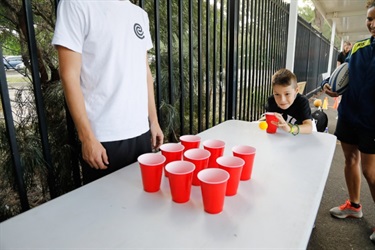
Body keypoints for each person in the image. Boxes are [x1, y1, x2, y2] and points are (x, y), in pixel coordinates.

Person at [52, 0, 164, 184]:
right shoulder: (76, 4)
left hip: (141, 132)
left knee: (143, 201)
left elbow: (144, 72)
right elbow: (69, 75)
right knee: (106, 208)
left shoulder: (139, 15)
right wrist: (87, 138)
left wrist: (153, 121)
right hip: (104, 138)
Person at [322, 0, 375, 242]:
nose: (371, 24)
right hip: (350, 114)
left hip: (372, 120)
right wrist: (333, 89)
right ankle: (355, 205)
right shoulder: (359, 47)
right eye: (369, 19)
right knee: (349, 159)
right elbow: (345, 78)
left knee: (371, 172)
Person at [265, 69, 313, 135]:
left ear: (296, 91)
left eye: (287, 94)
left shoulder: (302, 102)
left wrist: (290, 129)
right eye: (277, 94)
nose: (282, 100)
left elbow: (309, 127)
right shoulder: (271, 101)